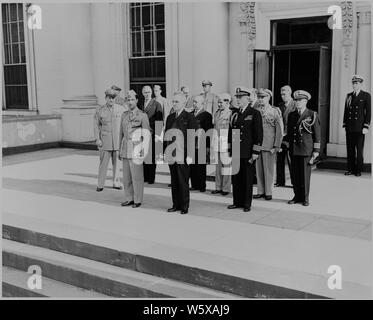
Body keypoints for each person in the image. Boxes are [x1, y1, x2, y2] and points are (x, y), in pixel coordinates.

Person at [228, 87, 263, 212]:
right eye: (237, 97)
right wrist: (230, 149)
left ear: (247, 98)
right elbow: (231, 132)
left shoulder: (254, 113)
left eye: (240, 97)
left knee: (247, 179)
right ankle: (237, 201)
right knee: (236, 178)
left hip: (248, 151)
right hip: (237, 150)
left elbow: (258, 134)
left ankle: (246, 204)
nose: (237, 99)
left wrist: (255, 152)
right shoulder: (235, 113)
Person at [164, 92, 198, 214]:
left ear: (184, 103)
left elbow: (192, 138)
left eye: (176, 101)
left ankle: (184, 206)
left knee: (183, 181)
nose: (174, 104)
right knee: (174, 180)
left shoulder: (190, 118)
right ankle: (175, 204)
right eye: (173, 101)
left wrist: (190, 155)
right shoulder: (170, 117)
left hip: (183, 155)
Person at [287, 90, 321, 206]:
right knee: (295, 175)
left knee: (305, 176)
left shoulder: (312, 114)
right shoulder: (292, 114)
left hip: (306, 149)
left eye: (300, 100)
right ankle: (297, 196)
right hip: (294, 149)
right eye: (296, 100)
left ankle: (305, 198)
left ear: (306, 101)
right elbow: (290, 133)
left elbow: (317, 134)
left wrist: (316, 151)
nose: (297, 102)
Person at [119, 90, 150, 208]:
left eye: (132, 99)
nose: (130, 102)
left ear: (137, 100)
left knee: (137, 177)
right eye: (128, 100)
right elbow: (120, 134)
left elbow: (147, 134)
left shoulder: (142, 115)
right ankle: (129, 198)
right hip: (126, 149)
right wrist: (119, 149)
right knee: (126, 177)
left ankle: (137, 199)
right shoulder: (124, 115)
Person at [253, 89, 283, 201]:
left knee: (269, 169)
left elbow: (279, 130)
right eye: (259, 97)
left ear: (268, 98)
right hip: (258, 145)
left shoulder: (275, 111)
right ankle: (260, 191)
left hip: (269, 145)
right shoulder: (255, 111)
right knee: (259, 170)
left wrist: (277, 146)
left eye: (263, 97)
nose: (261, 100)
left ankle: (268, 191)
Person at [93, 89, 124, 192]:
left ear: (116, 98)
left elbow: (124, 125)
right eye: (109, 97)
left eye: (113, 97)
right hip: (105, 141)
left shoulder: (121, 109)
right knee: (103, 164)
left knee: (117, 164)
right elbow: (96, 126)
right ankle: (100, 184)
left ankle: (116, 182)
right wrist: (97, 139)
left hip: (117, 141)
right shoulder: (100, 110)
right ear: (106, 98)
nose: (111, 99)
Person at [343, 75, 371, 177]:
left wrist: (366, 126)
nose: (355, 85)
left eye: (357, 83)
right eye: (353, 83)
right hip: (349, 127)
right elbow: (346, 111)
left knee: (359, 150)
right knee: (350, 150)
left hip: (360, 128)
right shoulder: (349, 95)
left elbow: (368, 112)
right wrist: (345, 123)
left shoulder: (366, 96)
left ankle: (358, 170)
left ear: (361, 84)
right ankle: (350, 169)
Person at [141, 85, 164, 184]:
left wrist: (157, 135)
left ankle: (151, 178)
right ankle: (145, 177)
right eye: (145, 92)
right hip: (142, 134)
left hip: (152, 133)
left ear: (151, 93)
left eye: (148, 92)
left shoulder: (157, 104)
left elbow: (159, 121)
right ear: (142, 93)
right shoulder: (140, 104)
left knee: (152, 157)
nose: (147, 94)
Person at [190, 95, 213, 192]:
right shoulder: (190, 114)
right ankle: (194, 184)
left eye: (196, 102)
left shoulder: (207, 115)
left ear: (202, 103)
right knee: (193, 166)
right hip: (191, 143)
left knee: (201, 166)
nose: (194, 104)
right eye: (193, 102)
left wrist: (208, 146)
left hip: (201, 144)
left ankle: (201, 186)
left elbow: (209, 132)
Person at [211, 93, 232, 196]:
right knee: (218, 166)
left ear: (227, 102)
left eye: (221, 102)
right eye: (218, 102)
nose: (219, 104)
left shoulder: (231, 114)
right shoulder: (216, 113)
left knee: (226, 166)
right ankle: (218, 187)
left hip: (226, 142)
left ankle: (226, 188)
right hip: (217, 142)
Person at [275, 85, 296, 187]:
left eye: (285, 94)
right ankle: (280, 181)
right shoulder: (280, 106)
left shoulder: (295, 105)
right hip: (281, 137)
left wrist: (288, 133)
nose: (283, 96)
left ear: (290, 93)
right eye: (281, 94)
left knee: (291, 160)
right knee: (280, 159)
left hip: (290, 137)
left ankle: (294, 182)